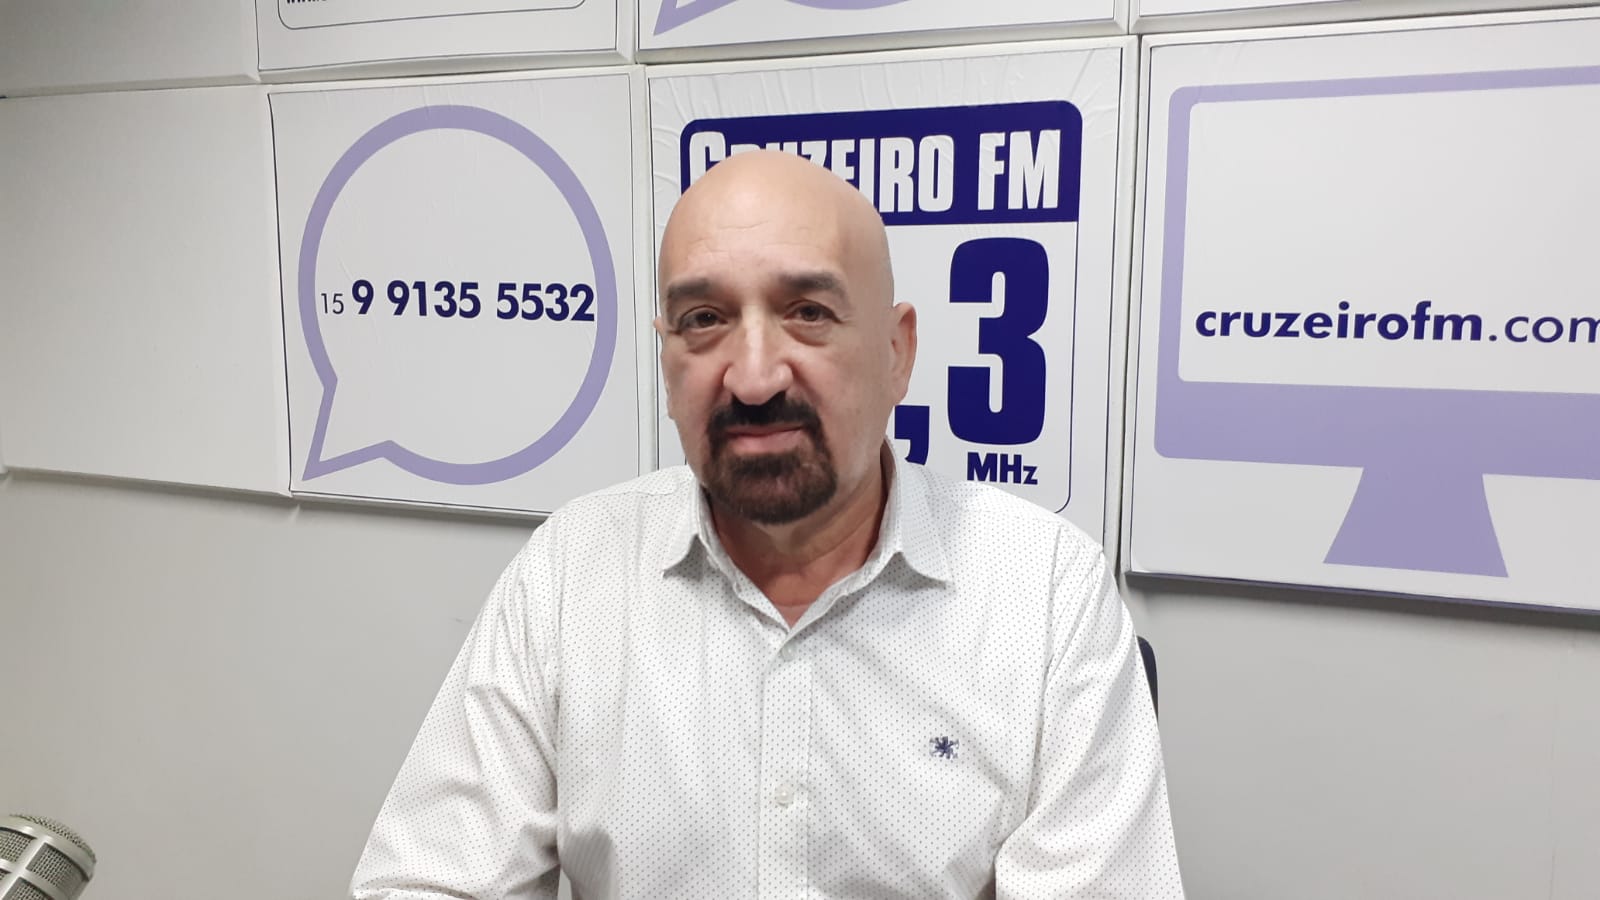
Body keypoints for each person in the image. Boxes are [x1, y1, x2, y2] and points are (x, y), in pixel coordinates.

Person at [350, 150, 1183, 899]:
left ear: (896, 353)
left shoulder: (1047, 592)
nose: (752, 379)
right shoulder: (571, 571)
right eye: (704, 320)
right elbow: (430, 880)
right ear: (666, 359)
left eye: (808, 311)